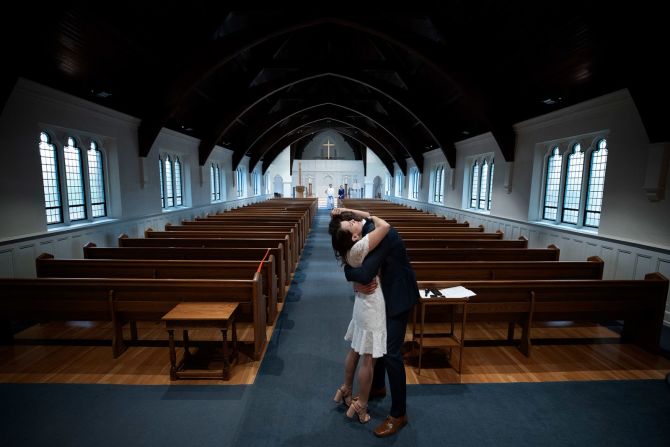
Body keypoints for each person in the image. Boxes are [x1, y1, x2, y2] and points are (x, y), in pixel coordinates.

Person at [329, 207, 419, 437]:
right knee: (377, 343)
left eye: (352, 219)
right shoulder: (371, 229)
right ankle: (378, 387)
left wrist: (355, 280)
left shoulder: (382, 234)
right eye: (350, 221)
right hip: (384, 294)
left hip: (398, 295)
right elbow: (356, 268)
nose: (353, 219)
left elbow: (363, 272)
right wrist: (355, 281)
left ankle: (399, 414)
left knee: (390, 352)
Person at [329, 208, 391, 424]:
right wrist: (370, 215)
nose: (355, 221)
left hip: (361, 304)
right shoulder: (360, 246)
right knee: (368, 359)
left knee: (355, 349)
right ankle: (361, 404)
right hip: (372, 305)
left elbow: (343, 227)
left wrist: (341, 215)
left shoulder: (348, 249)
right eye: (351, 224)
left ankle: (346, 388)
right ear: (354, 237)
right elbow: (385, 227)